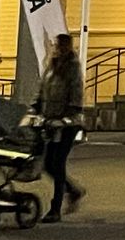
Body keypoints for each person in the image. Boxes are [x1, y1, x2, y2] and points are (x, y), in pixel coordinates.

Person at [34, 32, 86, 222]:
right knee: (48, 163)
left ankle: (55, 209)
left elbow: (76, 93)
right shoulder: (50, 66)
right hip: (50, 122)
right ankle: (73, 190)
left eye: (61, 46)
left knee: (58, 162)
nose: (58, 49)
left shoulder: (72, 68)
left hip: (67, 124)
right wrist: (35, 108)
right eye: (56, 45)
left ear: (68, 47)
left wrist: (67, 116)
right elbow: (42, 90)